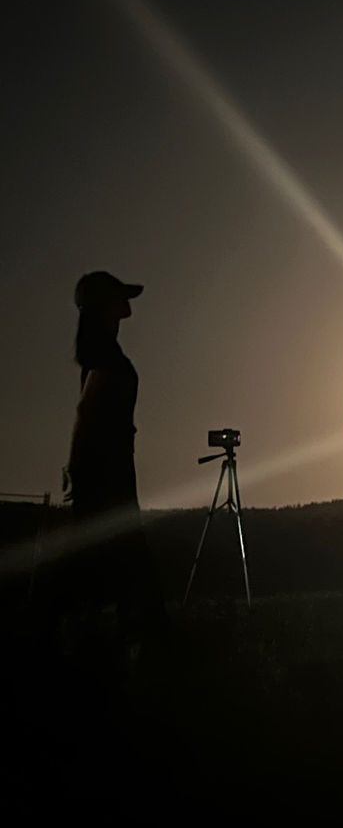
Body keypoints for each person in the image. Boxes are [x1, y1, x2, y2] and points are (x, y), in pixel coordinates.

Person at [60, 270, 166, 663]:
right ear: (105, 306)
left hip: (108, 461)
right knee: (115, 544)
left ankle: (110, 633)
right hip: (107, 465)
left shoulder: (101, 351)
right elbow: (86, 409)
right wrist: (75, 464)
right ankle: (136, 635)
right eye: (120, 297)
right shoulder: (105, 355)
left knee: (103, 545)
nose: (128, 303)